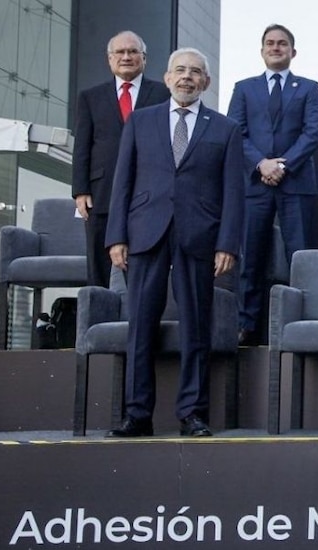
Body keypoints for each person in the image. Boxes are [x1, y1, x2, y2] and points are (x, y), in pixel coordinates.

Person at [105, 48, 244, 438]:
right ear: (166, 78)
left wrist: (227, 243)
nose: (187, 77)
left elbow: (234, 193)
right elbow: (123, 182)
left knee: (196, 326)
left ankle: (193, 414)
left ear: (206, 83)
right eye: (180, 71)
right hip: (145, 233)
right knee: (141, 326)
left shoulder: (226, 129)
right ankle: (137, 414)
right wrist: (116, 235)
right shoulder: (140, 121)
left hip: (199, 236)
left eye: (195, 72)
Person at [227, 24, 318, 346]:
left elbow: (313, 132)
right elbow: (236, 132)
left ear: (292, 52)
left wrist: (283, 164)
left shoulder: (309, 87)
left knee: (299, 255)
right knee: (250, 256)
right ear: (262, 50)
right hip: (255, 183)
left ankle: (304, 318)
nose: (276, 47)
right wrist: (262, 164)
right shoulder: (244, 88)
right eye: (270, 43)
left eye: (282, 44)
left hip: (295, 182)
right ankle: (246, 325)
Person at [72, 31, 170, 287]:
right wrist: (80, 190)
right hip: (101, 194)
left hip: (147, 195)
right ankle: (95, 325)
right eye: (120, 52)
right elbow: (82, 146)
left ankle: (139, 323)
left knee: (143, 272)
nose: (126, 57)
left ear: (144, 58)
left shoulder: (163, 95)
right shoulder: (90, 97)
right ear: (109, 59)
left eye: (133, 51)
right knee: (98, 272)